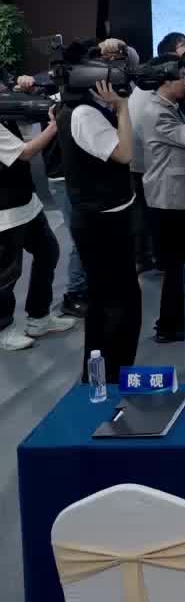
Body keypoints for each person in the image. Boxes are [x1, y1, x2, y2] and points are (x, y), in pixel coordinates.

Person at [55, 53, 140, 376]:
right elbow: (125, 153)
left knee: (112, 300)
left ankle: (106, 375)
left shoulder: (77, 109)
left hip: (105, 217)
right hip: (102, 223)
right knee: (115, 304)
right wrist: (122, 108)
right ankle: (109, 378)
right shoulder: (84, 114)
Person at [142, 66, 185, 343]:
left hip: (178, 196)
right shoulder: (156, 111)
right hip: (170, 199)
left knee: (182, 262)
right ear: (165, 82)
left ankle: (177, 320)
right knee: (176, 265)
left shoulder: (167, 106)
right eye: (180, 77)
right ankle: (168, 326)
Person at [0, 103, 74, 352]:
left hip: (25, 202)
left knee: (48, 252)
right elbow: (25, 152)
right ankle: (4, 329)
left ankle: (39, 318)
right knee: (7, 275)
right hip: (5, 213)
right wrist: (54, 126)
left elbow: (24, 138)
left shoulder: (5, 113)